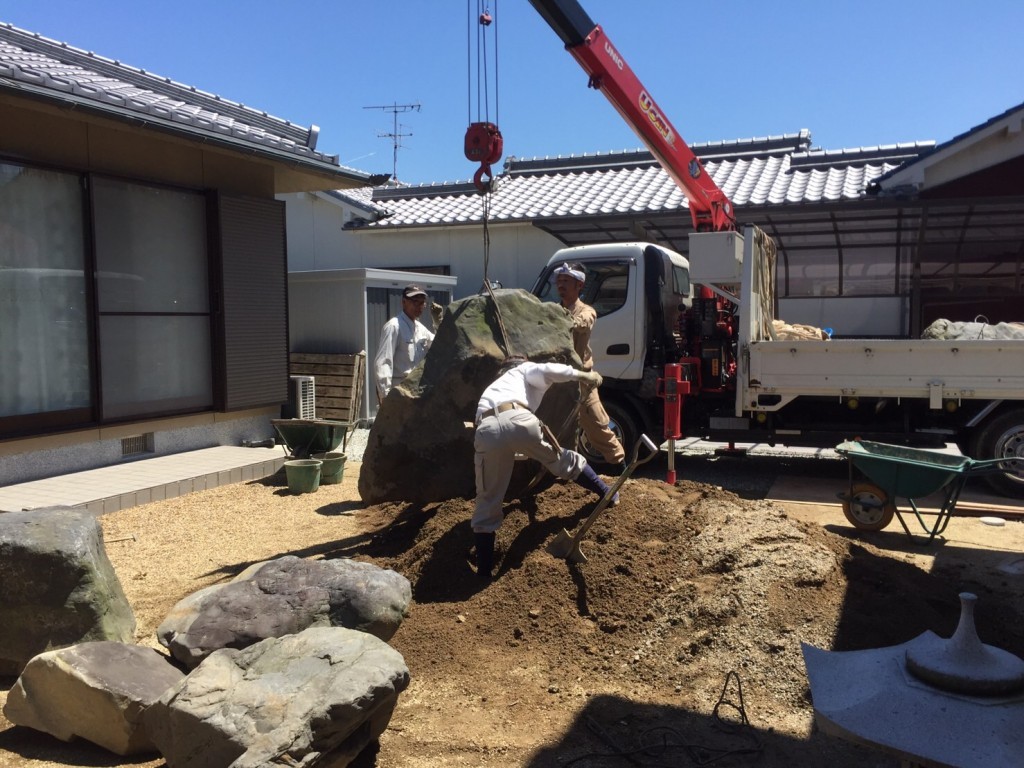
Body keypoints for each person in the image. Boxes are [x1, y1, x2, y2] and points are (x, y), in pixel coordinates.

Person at [472, 357, 617, 580]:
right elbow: (546, 369)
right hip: (519, 419)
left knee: (488, 499)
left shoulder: (493, 389)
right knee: (559, 460)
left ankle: (483, 574)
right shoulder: (521, 370)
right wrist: (583, 375)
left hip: (487, 429)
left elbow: (501, 435)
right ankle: (606, 493)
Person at [553, 262, 626, 466]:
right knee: (553, 425)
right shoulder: (552, 311)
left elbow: (584, 322)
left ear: (579, 285)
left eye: (566, 281)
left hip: (582, 379)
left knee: (597, 424)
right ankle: (563, 469)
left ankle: (621, 467)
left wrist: (564, 322)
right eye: (559, 281)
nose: (561, 285)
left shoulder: (586, 311)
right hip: (557, 379)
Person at [374, 284, 436, 403]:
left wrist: (439, 322)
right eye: (415, 302)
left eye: (422, 303)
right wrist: (386, 396)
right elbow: (383, 362)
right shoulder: (394, 326)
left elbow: (439, 344)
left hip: (416, 392)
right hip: (399, 391)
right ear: (404, 302)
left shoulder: (420, 328)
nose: (419, 306)